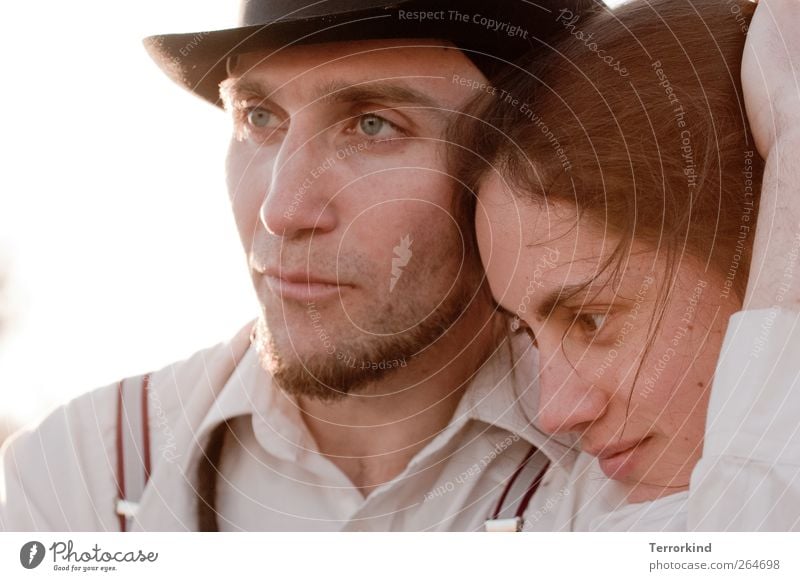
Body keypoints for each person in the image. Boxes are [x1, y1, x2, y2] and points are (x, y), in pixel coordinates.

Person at [0, 0, 596, 532]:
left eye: (373, 125)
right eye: (258, 117)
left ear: (533, 166)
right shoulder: (82, 473)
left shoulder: (630, 463)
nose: (281, 211)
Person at [452, 0, 800, 530]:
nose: (557, 413)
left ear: (766, 244)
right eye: (526, 332)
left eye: (591, 318)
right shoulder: (594, 510)